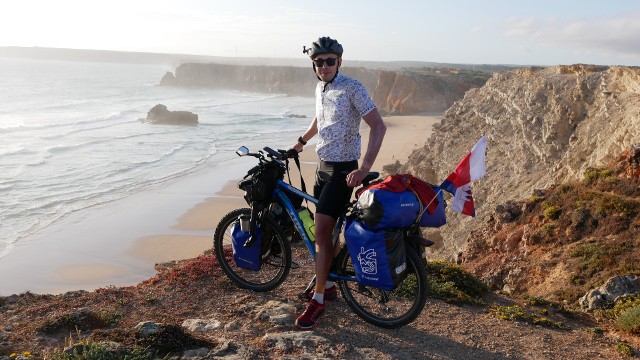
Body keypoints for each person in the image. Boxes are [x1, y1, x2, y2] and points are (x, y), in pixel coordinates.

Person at [292, 36, 386, 330]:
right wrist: (300, 142)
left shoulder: (351, 88)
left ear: (339, 62)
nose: (324, 66)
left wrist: (364, 168)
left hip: (343, 171)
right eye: (318, 62)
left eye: (330, 61)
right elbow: (320, 120)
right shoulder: (321, 87)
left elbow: (378, 126)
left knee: (321, 235)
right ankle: (329, 284)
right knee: (328, 233)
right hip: (321, 168)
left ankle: (318, 300)